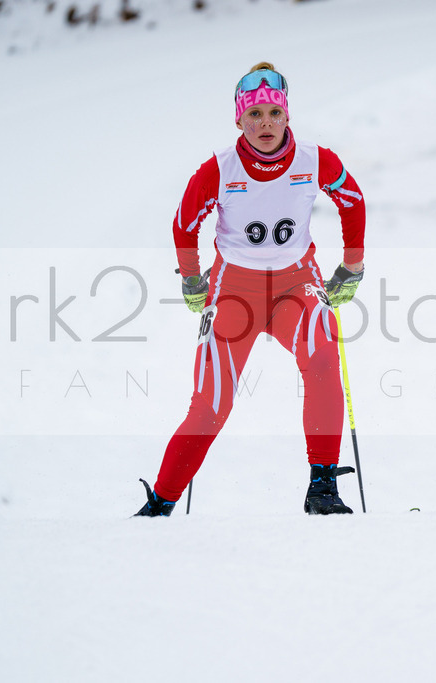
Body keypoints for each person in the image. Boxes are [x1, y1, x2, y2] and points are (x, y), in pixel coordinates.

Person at [135, 62, 366, 517]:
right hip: (234, 292)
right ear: (238, 120)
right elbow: (184, 222)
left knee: (323, 357)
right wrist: (191, 278)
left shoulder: (315, 160)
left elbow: (353, 200)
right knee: (211, 405)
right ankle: (159, 506)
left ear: (287, 116)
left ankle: (322, 487)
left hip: (297, 284)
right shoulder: (219, 169)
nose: (265, 124)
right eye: (254, 114)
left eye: (274, 113)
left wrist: (352, 266)